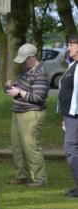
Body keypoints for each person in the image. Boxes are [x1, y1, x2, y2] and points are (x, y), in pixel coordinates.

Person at [7, 43, 49, 187]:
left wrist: (18, 92)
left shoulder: (40, 73)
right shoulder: (26, 70)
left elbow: (38, 98)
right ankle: (21, 175)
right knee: (17, 146)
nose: (23, 63)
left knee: (31, 147)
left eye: (25, 60)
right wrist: (11, 87)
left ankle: (39, 179)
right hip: (18, 112)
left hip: (32, 113)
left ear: (32, 57)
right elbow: (21, 89)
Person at [59, 34, 78, 196]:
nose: (69, 47)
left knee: (70, 148)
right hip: (70, 116)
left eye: (72, 44)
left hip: (75, 116)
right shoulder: (73, 65)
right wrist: (65, 116)